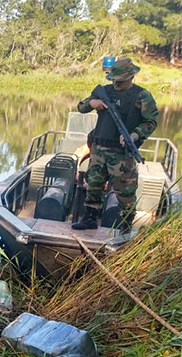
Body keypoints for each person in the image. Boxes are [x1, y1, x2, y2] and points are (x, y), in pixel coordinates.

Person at [72, 58, 159, 233]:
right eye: (114, 79)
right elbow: (81, 107)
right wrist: (92, 103)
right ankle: (90, 218)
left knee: (125, 191)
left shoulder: (142, 96)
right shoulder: (103, 91)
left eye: (119, 80)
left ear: (131, 77)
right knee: (94, 184)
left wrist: (134, 135)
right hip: (99, 149)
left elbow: (151, 121)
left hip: (122, 153)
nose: (116, 83)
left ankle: (125, 225)